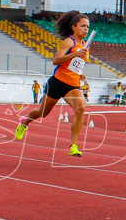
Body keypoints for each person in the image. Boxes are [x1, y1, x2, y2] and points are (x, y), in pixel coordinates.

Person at [15, 10, 90, 157]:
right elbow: (56, 60)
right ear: (74, 27)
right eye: (82, 26)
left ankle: (72, 146)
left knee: (81, 108)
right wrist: (75, 53)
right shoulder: (69, 42)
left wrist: (80, 72)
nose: (86, 29)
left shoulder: (86, 45)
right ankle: (25, 121)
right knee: (42, 113)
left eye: (87, 26)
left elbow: (76, 63)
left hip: (72, 85)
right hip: (57, 83)